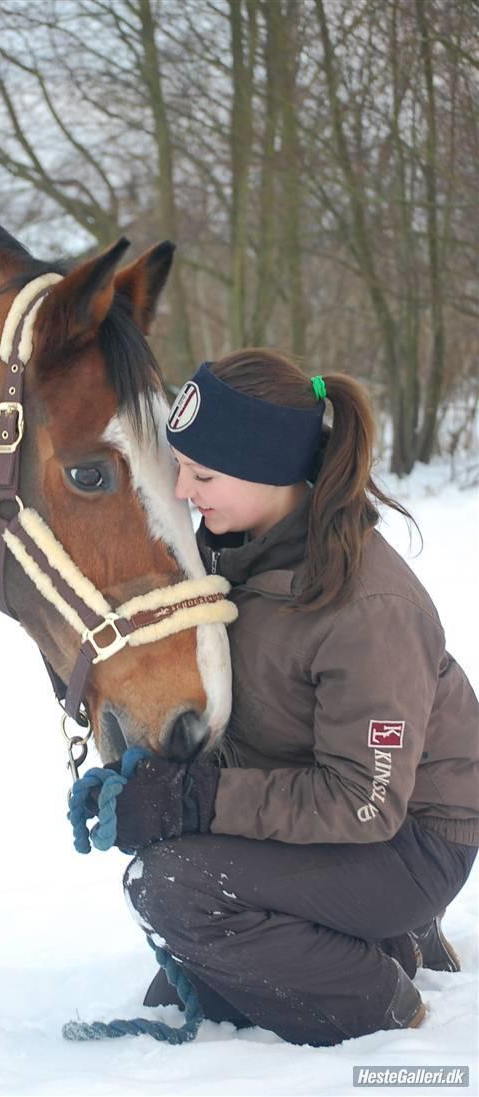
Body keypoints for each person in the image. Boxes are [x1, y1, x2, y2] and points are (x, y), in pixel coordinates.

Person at [104, 349, 479, 1047]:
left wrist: (197, 800)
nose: (183, 489)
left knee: (173, 889)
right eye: (181, 466)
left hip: (411, 838)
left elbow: (360, 801)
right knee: (202, 973)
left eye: (203, 473)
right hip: (354, 818)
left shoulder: (369, 606)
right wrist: (145, 774)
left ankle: (380, 997)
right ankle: (377, 941)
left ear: (270, 468)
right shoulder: (230, 547)